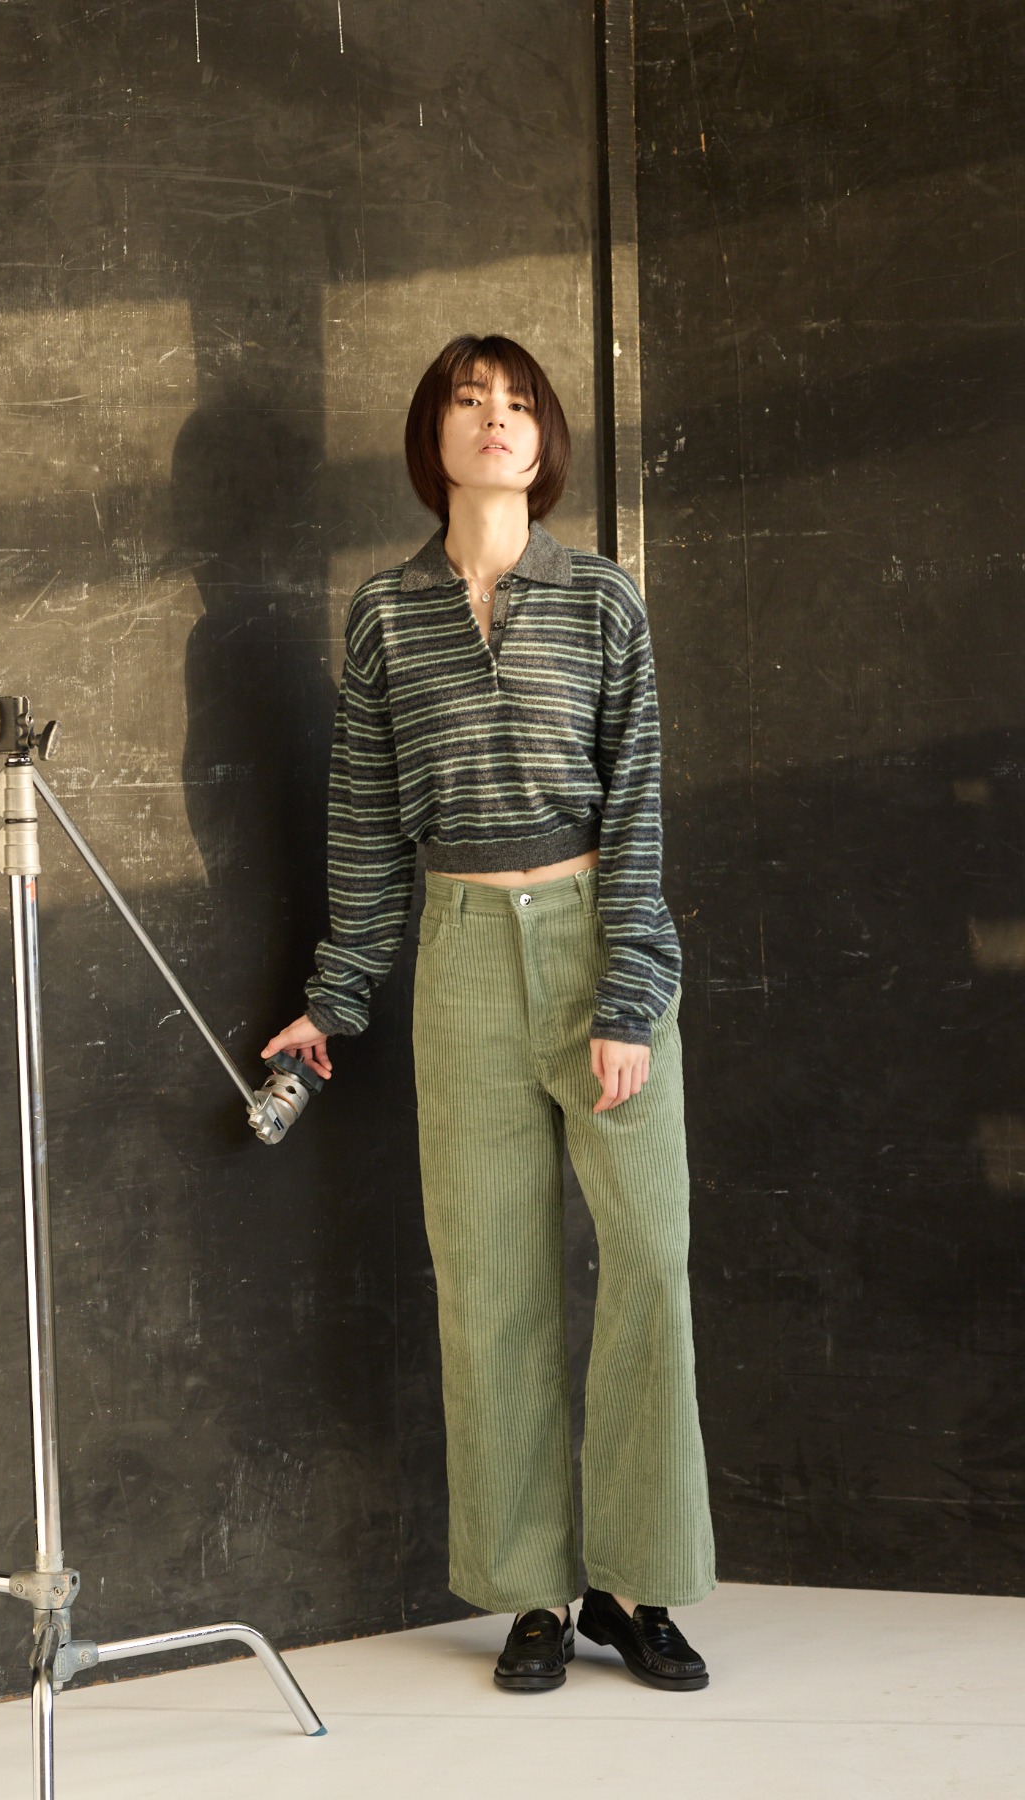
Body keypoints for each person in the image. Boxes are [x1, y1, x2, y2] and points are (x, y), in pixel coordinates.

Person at [261, 333, 716, 1695]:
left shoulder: (603, 600)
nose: (496, 419)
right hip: (459, 951)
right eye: (470, 401)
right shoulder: (385, 615)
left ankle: (632, 1585)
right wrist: (335, 999)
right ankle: (532, 1592)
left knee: (649, 1256)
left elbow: (637, 806)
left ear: (545, 439)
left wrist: (626, 990)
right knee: (491, 1284)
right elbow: (362, 823)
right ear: (436, 437)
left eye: (518, 403)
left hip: (596, 945)